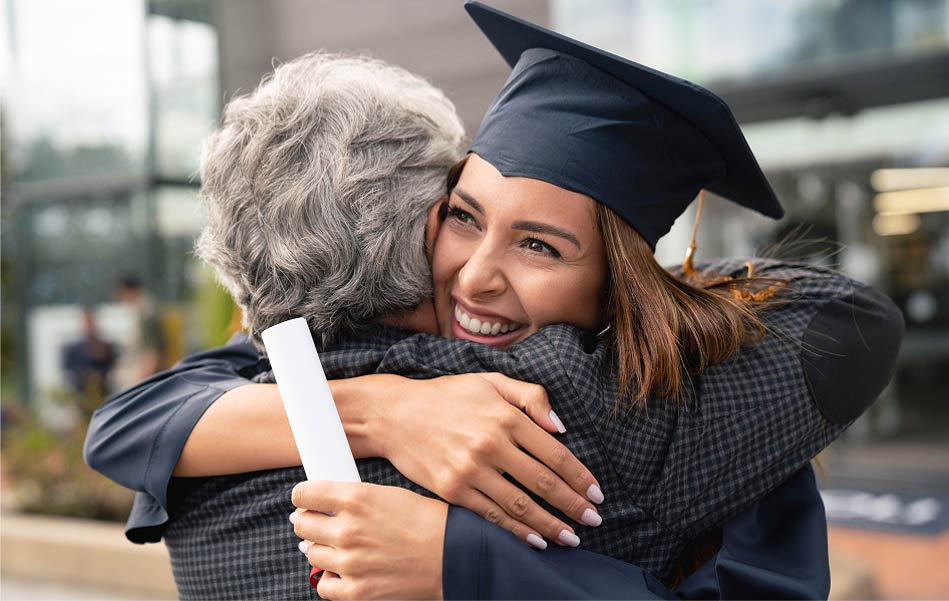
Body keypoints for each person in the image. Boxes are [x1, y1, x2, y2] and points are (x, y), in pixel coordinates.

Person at [84, 7, 902, 600]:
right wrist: (383, 410)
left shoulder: (701, 404)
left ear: (620, 279)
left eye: (540, 245)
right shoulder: (349, 371)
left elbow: (130, 426)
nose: (475, 276)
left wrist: (461, 561)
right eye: (462, 218)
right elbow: (133, 417)